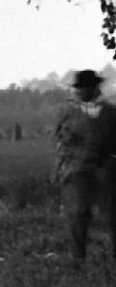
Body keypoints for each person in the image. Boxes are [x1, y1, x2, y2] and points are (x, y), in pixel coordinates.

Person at [55, 69, 116, 267]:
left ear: (93, 88)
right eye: (78, 88)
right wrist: (62, 166)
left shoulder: (110, 112)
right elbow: (61, 141)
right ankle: (78, 259)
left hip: (105, 168)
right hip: (78, 169)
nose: (79, 92)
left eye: (83, 88)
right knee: (77, 213)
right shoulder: (69, 112)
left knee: (112, 215)